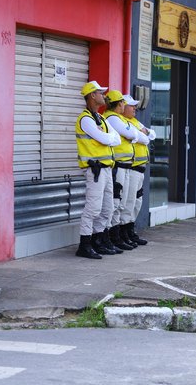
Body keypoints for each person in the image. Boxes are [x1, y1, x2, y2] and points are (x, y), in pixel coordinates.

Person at [75, 81, 121, 259]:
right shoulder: (85, 119)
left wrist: (108, 138)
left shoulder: (100, 118)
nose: (104, 96)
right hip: (95, 170)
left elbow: (114, 139)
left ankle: (98, 240)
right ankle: (84, 245)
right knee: (93, 208)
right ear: (92, 95)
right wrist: (108, 138)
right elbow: (103, 138)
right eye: (100, 93)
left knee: (107, 207)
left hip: (107, 169)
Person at [102, 90, 142, 250]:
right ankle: (112, 236)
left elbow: (138, 135)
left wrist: (135, 134)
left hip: (126, 166)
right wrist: (135, 134)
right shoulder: (112, 118)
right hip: (118, 166)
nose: (127, 106)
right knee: (117, 203)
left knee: (126, 202)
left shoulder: (119, 118)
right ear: (119, 104)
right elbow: (131, 134)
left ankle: (119, 234)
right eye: (124, 103)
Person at [121, 94, 155, 245]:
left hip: (140, 168)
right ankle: (124, 233)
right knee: (128, 202)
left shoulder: (135, 121)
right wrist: (144, 134)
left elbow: (152, 134)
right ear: (122, 107)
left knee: (137, 201)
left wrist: (145, 133)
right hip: (132, 167)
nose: (135, 108)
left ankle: (130, 230)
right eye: (131, 106)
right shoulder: (124, 122)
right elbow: (145, 138)